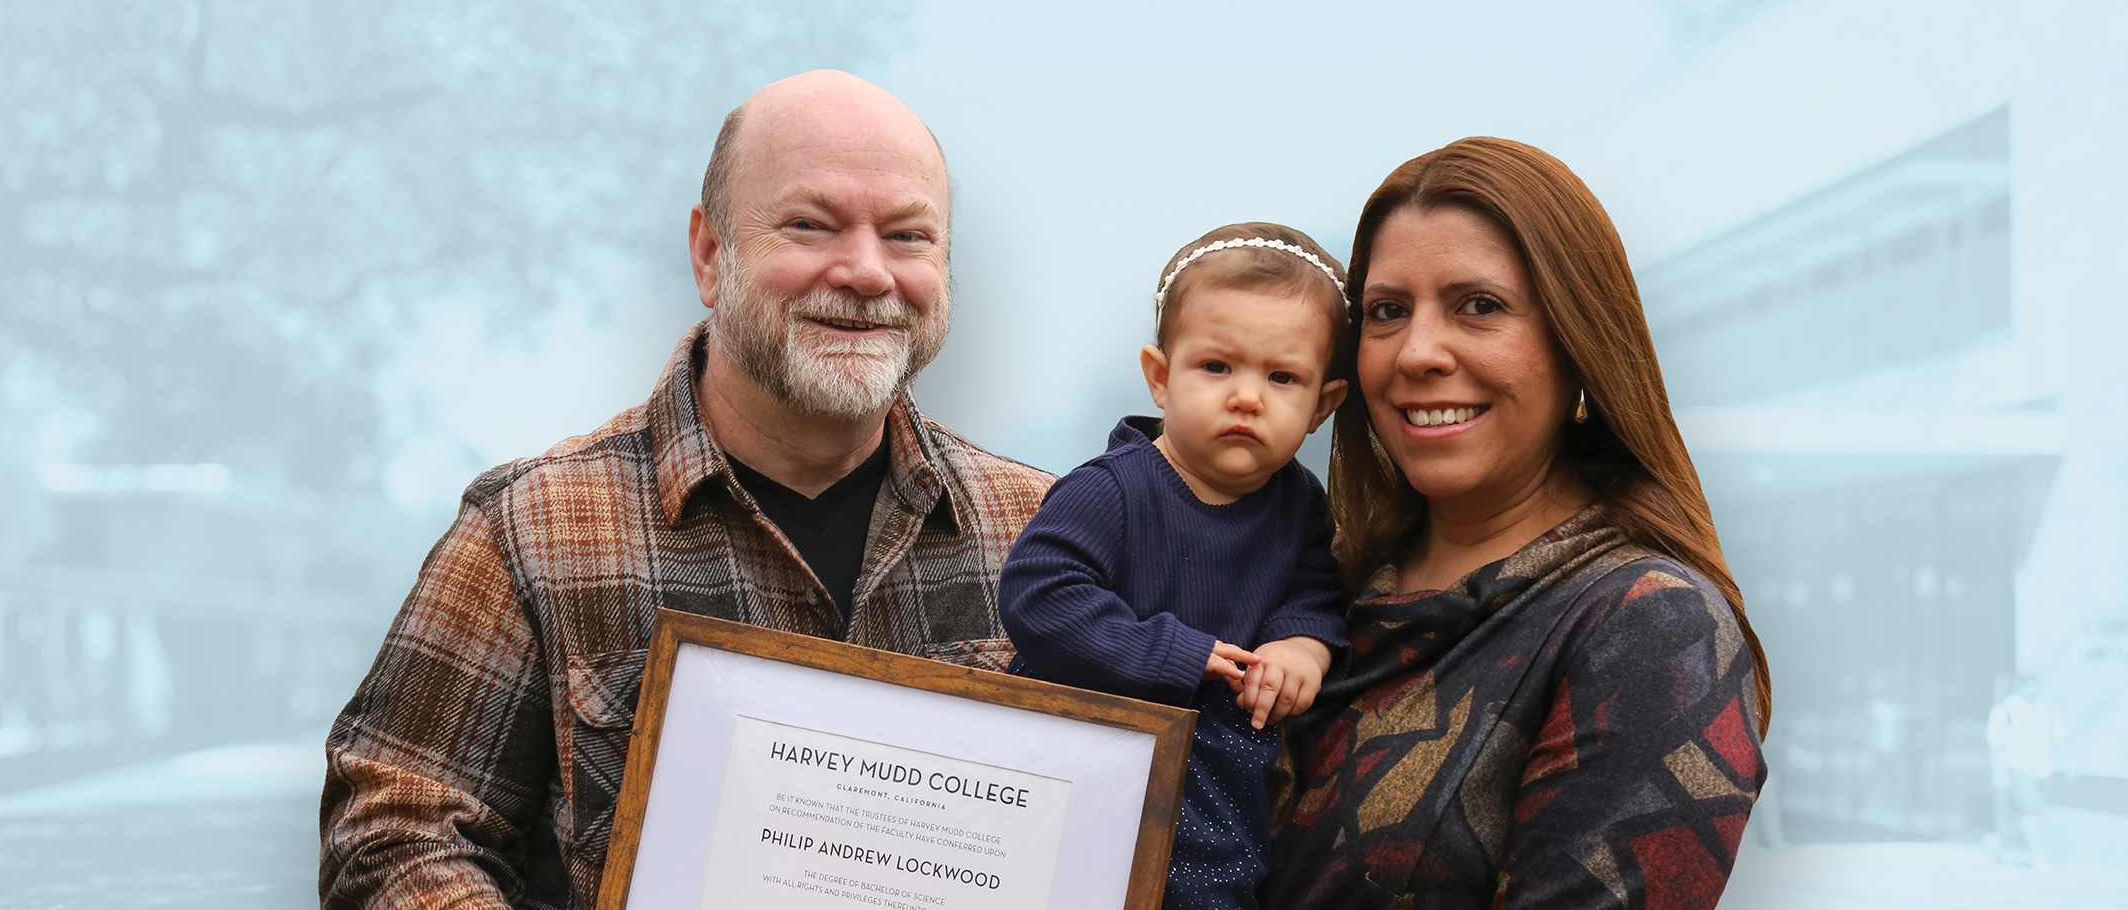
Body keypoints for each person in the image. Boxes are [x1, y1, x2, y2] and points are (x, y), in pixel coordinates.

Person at [318, 71, 1054, 910]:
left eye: (908, 236)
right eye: (810, 226)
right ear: (709, 253)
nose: (865, 271)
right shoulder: (530, 531)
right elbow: (393, 834)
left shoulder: (1051, 530)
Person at [1264, 138, 1772, 909]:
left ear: (1579, 344)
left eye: (1480, 306)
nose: (1418, 352)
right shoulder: (1313, 588)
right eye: (1387, 312)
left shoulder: (1654, 629)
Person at [1000, 223, 1353, 910]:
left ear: (1323, 405)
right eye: (1216, 367)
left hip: (1217, 782)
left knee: (1213, 890)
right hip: (1086, 757)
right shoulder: (1112, 489)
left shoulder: (1301, 507)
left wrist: (1298, 647)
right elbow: (1040, 595)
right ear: (1161, 378)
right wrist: (1174, 652)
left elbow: (1312, 594)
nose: (1247, 396)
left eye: (1282, 377)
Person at [1985, 671, 2055, 868]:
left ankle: (1997, 839)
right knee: (2030, 811)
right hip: (2017, 767)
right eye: (2027, 685)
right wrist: (1998, 771)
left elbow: (2055, 735)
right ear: (2018, 687)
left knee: (2035, 811)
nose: (2033, 689)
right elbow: (1996, 743)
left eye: (2036, 685)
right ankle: (2038, 855)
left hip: (2043, 769)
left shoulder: (2044, 707)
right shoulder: (2005, 709)